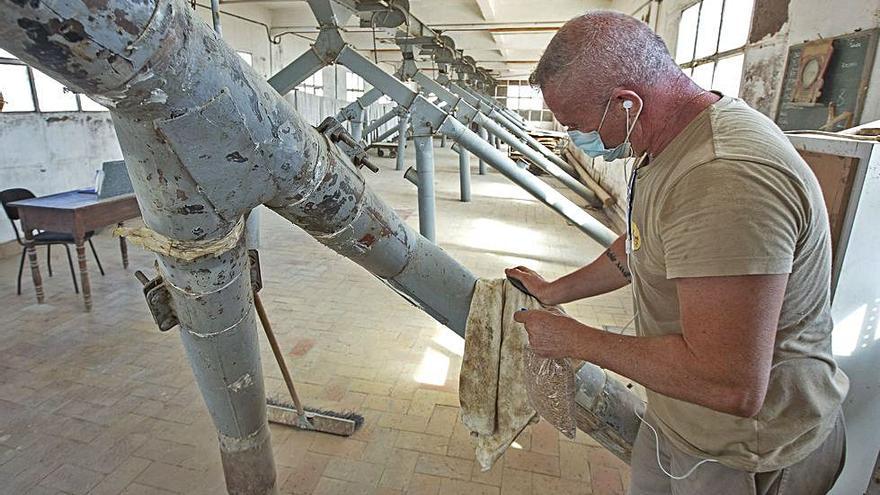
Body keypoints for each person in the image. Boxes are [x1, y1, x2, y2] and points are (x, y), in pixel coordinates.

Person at [506, 11, 849, 495]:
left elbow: (729, 383)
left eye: (577, 124)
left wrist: (574, 340)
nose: (576, 138)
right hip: (680, 416)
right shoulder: (669, 143)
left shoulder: (723, 177)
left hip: (745, 451)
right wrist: (555, 290)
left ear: (626, 104)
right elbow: (643, 243)